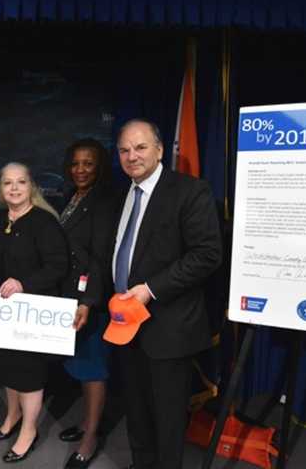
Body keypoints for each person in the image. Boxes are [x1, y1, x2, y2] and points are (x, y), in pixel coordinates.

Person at [111, 119, 222, 469]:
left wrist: (150, 290)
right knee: (137, 410)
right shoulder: (122, 194)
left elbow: (207, 255)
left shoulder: (190, 191)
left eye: (140, 147)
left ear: (160, 150)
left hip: (168, 326)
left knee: (168, 417)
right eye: (125, 150)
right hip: (124, 325)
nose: (132, 156)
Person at [0, 162, 69, 464]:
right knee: (8, 369)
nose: (14, 188)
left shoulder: (44, 222)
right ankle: (12, 417)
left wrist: (24, 283)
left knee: (29, 375)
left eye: (21, 182)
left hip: (34, 311)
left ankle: (29, 431)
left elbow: (58, 265)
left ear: (32, 187)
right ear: (0, 190)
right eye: (7, 183)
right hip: (3, 312)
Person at [57, 139, 115, 469]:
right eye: (76, 163)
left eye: (88, 163)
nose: (80, 169)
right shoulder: (73, 196)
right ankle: (86, 423)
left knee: (93, 367)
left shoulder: (104, 202)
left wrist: (89, 301)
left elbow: (100, 257)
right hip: (71, 294)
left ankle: (90, 438)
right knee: (80, 363)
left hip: (89, 300)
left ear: (100, 167)